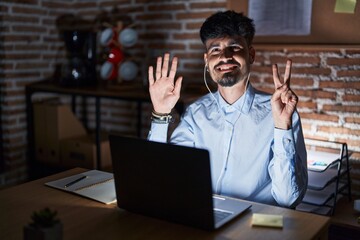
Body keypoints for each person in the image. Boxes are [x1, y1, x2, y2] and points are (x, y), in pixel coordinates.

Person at [147, 10, 307, 208]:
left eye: (234, 47)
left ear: (251, 54)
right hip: (204, 217)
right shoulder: (196, 113)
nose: (225, 57)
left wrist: (282, 126)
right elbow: (164, 176)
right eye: (215, 50)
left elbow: (288, 199)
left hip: (255, 225)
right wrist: (161, 114)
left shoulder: (280, 113)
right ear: (207, 61)